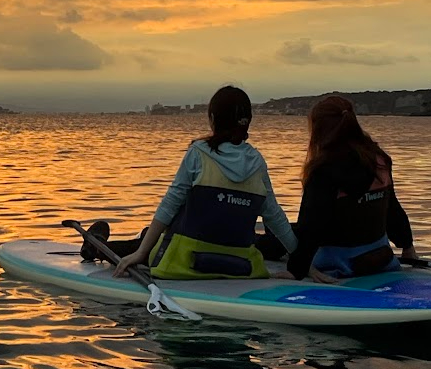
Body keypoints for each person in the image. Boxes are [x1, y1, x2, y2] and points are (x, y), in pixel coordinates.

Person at [107, 85, 302, 280]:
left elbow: (170, 204)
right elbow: (274, 216)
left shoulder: (198, 153)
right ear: (247, 122)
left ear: (212, 120)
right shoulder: (258, 163)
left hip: (182, 264)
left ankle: (99, 245)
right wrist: (303, 262)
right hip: (241, 267)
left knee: (150, 234)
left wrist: (142, 253)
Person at [286, 95, 418, 279]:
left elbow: (311, 225)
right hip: (381, 259)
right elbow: (392, 209)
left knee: (276, 237)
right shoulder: (379, 161)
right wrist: (407, 246)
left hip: (338, 264)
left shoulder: (323, 170)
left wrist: (296, 269)